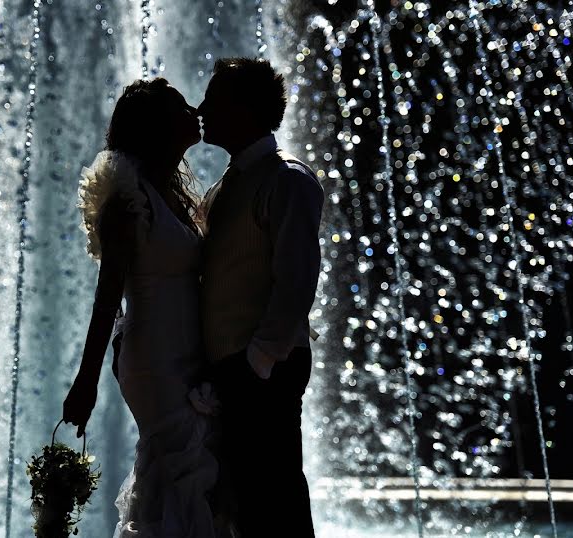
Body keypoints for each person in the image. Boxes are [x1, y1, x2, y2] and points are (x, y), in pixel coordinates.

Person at [62, 78, 225, 538]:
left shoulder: (171, 191)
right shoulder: (127, 200)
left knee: (188, 467)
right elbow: (108, 292)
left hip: (186, 350)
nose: (193, 109)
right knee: (178, 466)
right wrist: (86, 380)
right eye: (179, 107)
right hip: (154, 357)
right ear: (156, 126)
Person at [197, 57, 325, 537]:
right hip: (235, 370)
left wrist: (259, 360)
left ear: (244, 108)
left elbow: (297, 280)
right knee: (248, 502)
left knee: (276, 498)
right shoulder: (225, 186)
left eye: (214, 98)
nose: (202, 107)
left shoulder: (287, 179)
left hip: (263, 368)